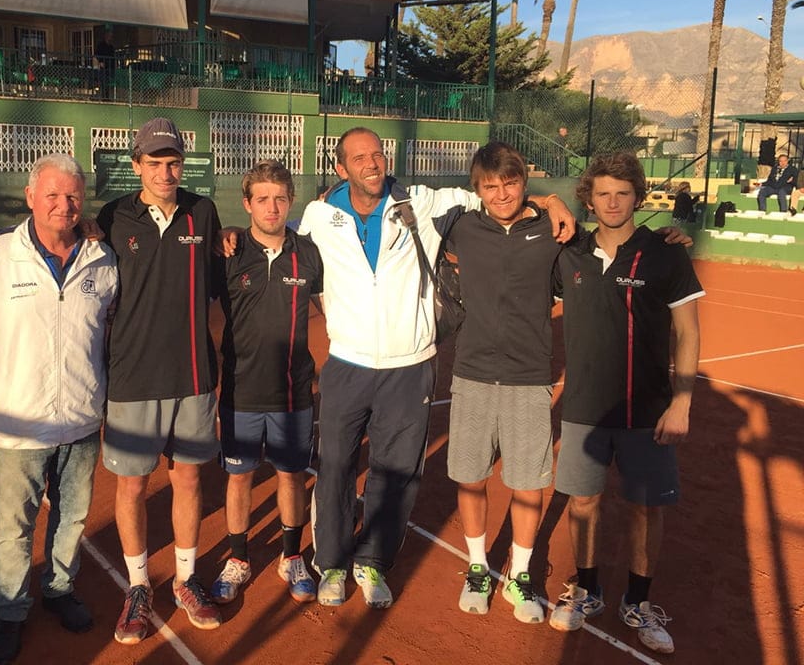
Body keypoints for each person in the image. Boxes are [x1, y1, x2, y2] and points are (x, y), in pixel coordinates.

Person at [298, 127, 575, 609]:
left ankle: (373, 561)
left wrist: (551, 201)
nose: (372, 163)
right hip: (347, 364)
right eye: (359, 158)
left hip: (411, 366)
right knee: (337, 467)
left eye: (377, 154)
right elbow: (286, 249)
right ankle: (334, 563)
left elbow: (493, 195)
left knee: (396, 472)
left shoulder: (424, 202)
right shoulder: (318, 216)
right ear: (340, 168)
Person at [548, 152, 703, 656]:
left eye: (622, 193)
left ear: (638, 196)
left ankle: (639, 601)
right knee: (583, 503)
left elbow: (688, 332)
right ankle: (588, 589)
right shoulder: (568, 253)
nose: (612, 203)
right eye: (603, 194)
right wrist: (546, 202)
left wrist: (681, 403)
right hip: (584, 409)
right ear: (588, 199)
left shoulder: (665, 253)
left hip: (648, 409)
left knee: (645, 509)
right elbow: (508, 209)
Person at [0, 155, 118, 663]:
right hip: (17, 423)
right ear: (30, 197)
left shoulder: (102, 258)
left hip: (81, 419)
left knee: (72, 517)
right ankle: (11, 611)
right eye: (53, 195)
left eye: (73, 195)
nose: (64, 205)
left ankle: (60, 588)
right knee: (12, 528)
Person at [96, 117, 223, 645]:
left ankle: (187, 579)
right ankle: (139, 586)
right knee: (133, 484)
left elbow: (219, 277)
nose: (165, 172)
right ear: (136, 166)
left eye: (173, 162)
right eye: (154, 163)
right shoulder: (112, 217)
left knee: (188, 479)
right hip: (132, 375)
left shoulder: (203, 212)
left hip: (193, 373)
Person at [446, 142, 564, 625]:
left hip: (528, 377)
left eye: (510, 184)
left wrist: (554, 203)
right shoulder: (461, 228)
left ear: (524, 183)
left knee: (528, 483)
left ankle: (520, 572)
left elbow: (605, 244)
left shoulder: (553, 229)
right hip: (472, 373)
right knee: (471, 477)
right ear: (477, 189)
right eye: (490, 186)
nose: (501, 194)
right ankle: (478, 567)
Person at [210, 160, 323, 607]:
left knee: (291, 476)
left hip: (293, 392)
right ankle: (238, 559)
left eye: (279, 198)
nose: (271, 207)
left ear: (291, 201)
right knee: (239, 478)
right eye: (262, 199)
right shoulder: (229, 253)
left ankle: (291, 556)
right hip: (240, 391)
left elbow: (335, 307)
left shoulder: (309, 254)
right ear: (247, 204)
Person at [95, 29, 117, 100]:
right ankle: (103, 97)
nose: (110, 38)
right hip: (103, 67)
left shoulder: (111, 47)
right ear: (106, 36)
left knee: (108, 83)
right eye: (109, 36)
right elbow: (96, 54)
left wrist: (114, 66)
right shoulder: (101, 45)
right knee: (103, 82)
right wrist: (100, 62)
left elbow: (113, 57)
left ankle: (107, 97)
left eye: (111, 36)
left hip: (110, 67)